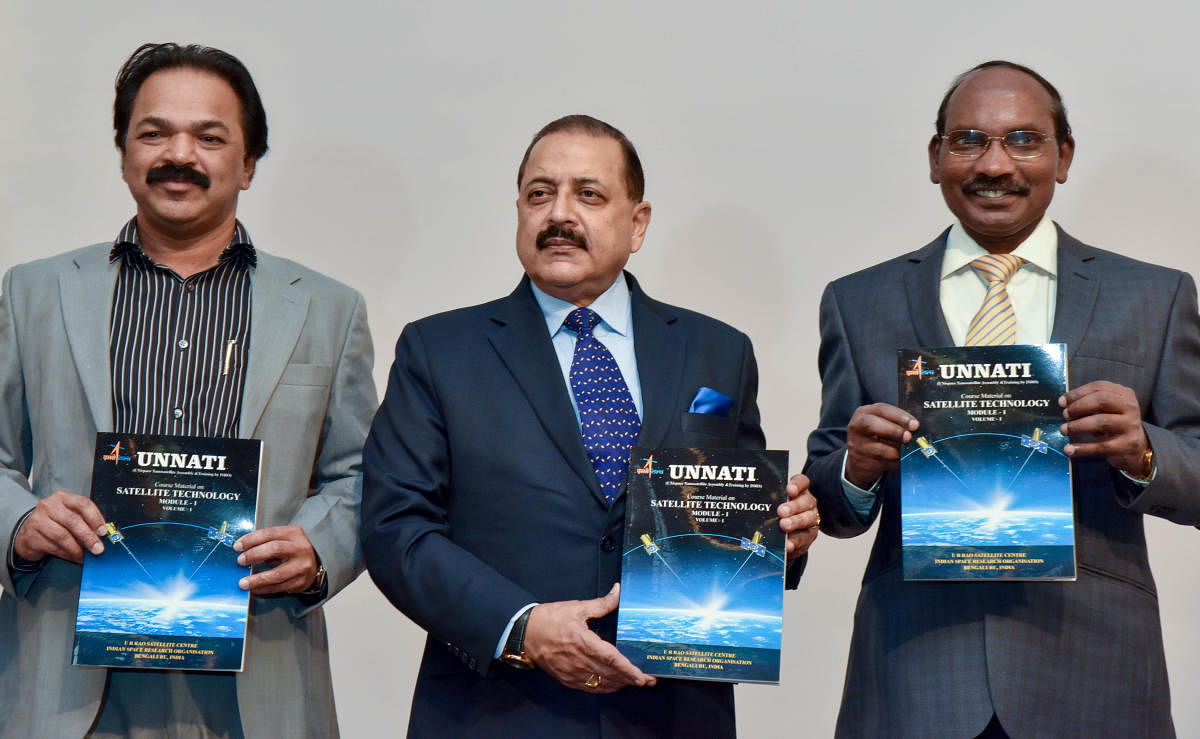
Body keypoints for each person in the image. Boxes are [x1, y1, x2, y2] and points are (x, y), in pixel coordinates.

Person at [361, 114, 819, 737]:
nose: (559, 214)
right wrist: (521, 626)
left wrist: (780, 538)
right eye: (539, 193)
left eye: (589, 194)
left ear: (638, 224)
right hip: (499, 710)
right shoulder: (438, 351)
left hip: (674, 713)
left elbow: (732, 520)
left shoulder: (718, 352)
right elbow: (396, 529)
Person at [805, 60, 1200, 738]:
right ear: (936, 158)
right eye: (968, 141)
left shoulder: (1155, 297)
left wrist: (1142, 452)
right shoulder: (856, 301)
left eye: (1023, 139)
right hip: (914, 675)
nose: (995, 163)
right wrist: (856, 470)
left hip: (1095, 673)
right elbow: (830, 499)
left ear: (1063, 156)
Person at [0, 43, 377, 738]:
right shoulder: (34, 292)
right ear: (122, 154)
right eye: (154, 133)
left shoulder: (328, 309)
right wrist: (19, 524)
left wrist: (319, 547)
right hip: (67, 684)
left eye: (210, 136)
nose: (180, 154)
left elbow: (361, 472)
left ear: (249, 163)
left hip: (255, 683)